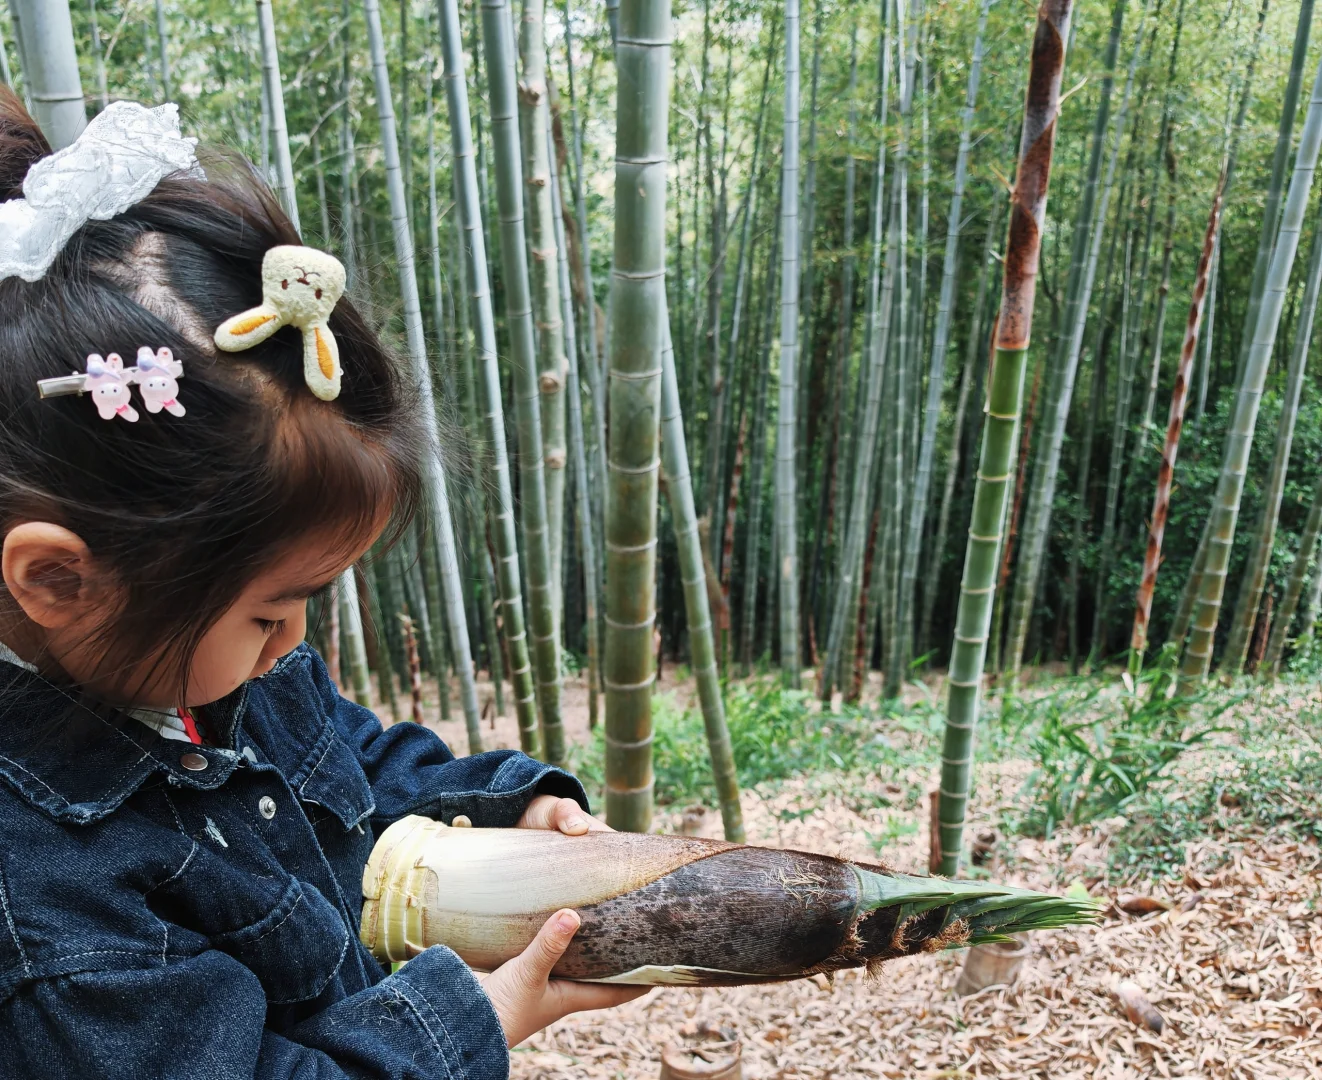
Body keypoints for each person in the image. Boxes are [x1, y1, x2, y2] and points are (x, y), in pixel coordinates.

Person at [0, 89, 642, 1078]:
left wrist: (504, 806)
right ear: (57, 580)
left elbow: (348, 765)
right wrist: (466, 1026)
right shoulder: (42, 904)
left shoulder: (202, 666)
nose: (292, 643)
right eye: (271, 607)